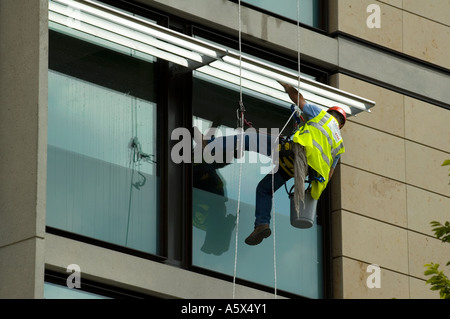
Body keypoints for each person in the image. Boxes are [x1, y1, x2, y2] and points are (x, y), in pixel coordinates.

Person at [244, 82, 346, 245]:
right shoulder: (338, 145)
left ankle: (212, 147)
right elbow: (328, 175)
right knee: (264, 188)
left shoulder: (321, 116)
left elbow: (298, 99)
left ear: (330, 113)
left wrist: (287, 85)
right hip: (297, 169)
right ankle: (261, 225)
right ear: (340, 125)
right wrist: (312, 190)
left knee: (249, 139)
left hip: (293, 153)